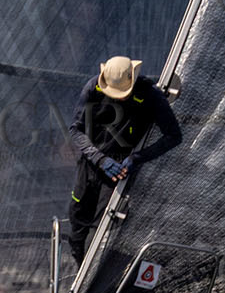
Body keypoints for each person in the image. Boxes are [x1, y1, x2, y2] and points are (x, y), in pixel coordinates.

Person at [67, 55, 182, 263]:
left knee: (103, 230)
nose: (117, 96)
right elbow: (75, 130)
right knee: (77, 221)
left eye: (122, 93)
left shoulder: (150, 95)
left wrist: (137, 158)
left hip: (120, 172)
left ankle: (92, 286)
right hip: (90, 164)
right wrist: (99, 158)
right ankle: (78, 274)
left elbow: (174, 136)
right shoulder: (94, 87)